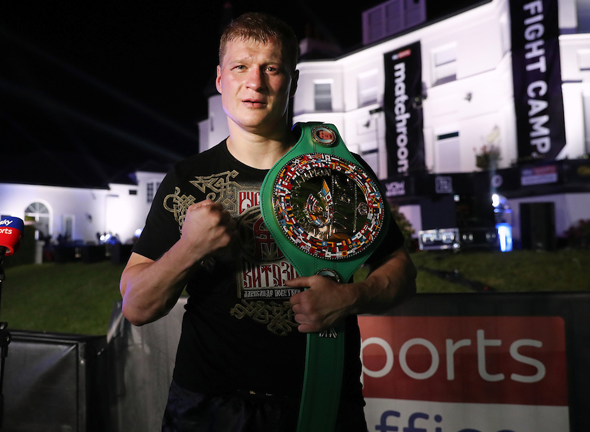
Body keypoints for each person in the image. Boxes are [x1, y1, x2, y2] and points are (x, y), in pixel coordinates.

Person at [120, 12, 416, 432]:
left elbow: (402, 271)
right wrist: (190, 248)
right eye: (241, 66)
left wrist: (352, 298)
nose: (255, 83)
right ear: (221, 79)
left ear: (291, 81)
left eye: (271, 68)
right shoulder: (187, 179)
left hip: (323, 400)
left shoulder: (337, 169)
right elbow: (137, 306)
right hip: (209, 409)